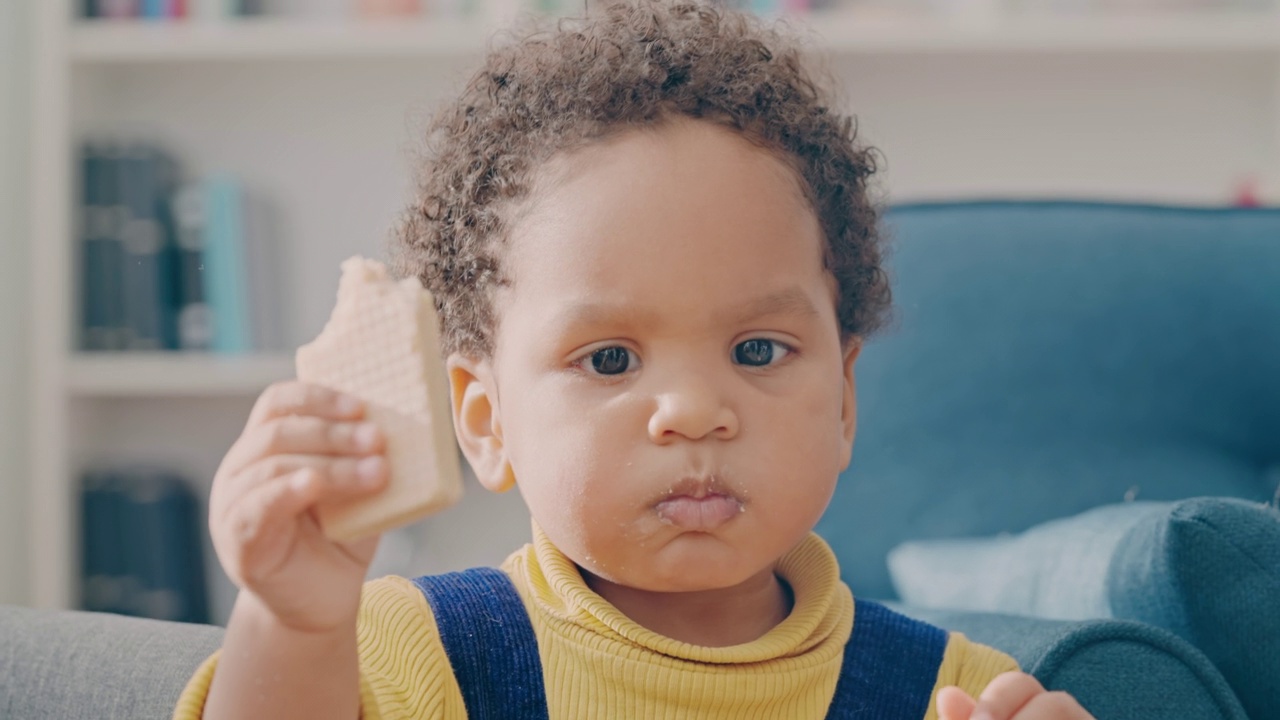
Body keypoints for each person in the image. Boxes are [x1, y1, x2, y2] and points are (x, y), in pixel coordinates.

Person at [175, 1, 1096, 718]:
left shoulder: (952, 691)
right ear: (485, 421)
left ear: (845, 399)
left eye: (758, 349)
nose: (694, 410)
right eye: (610, 358)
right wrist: (292, 622)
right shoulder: (409, 654)